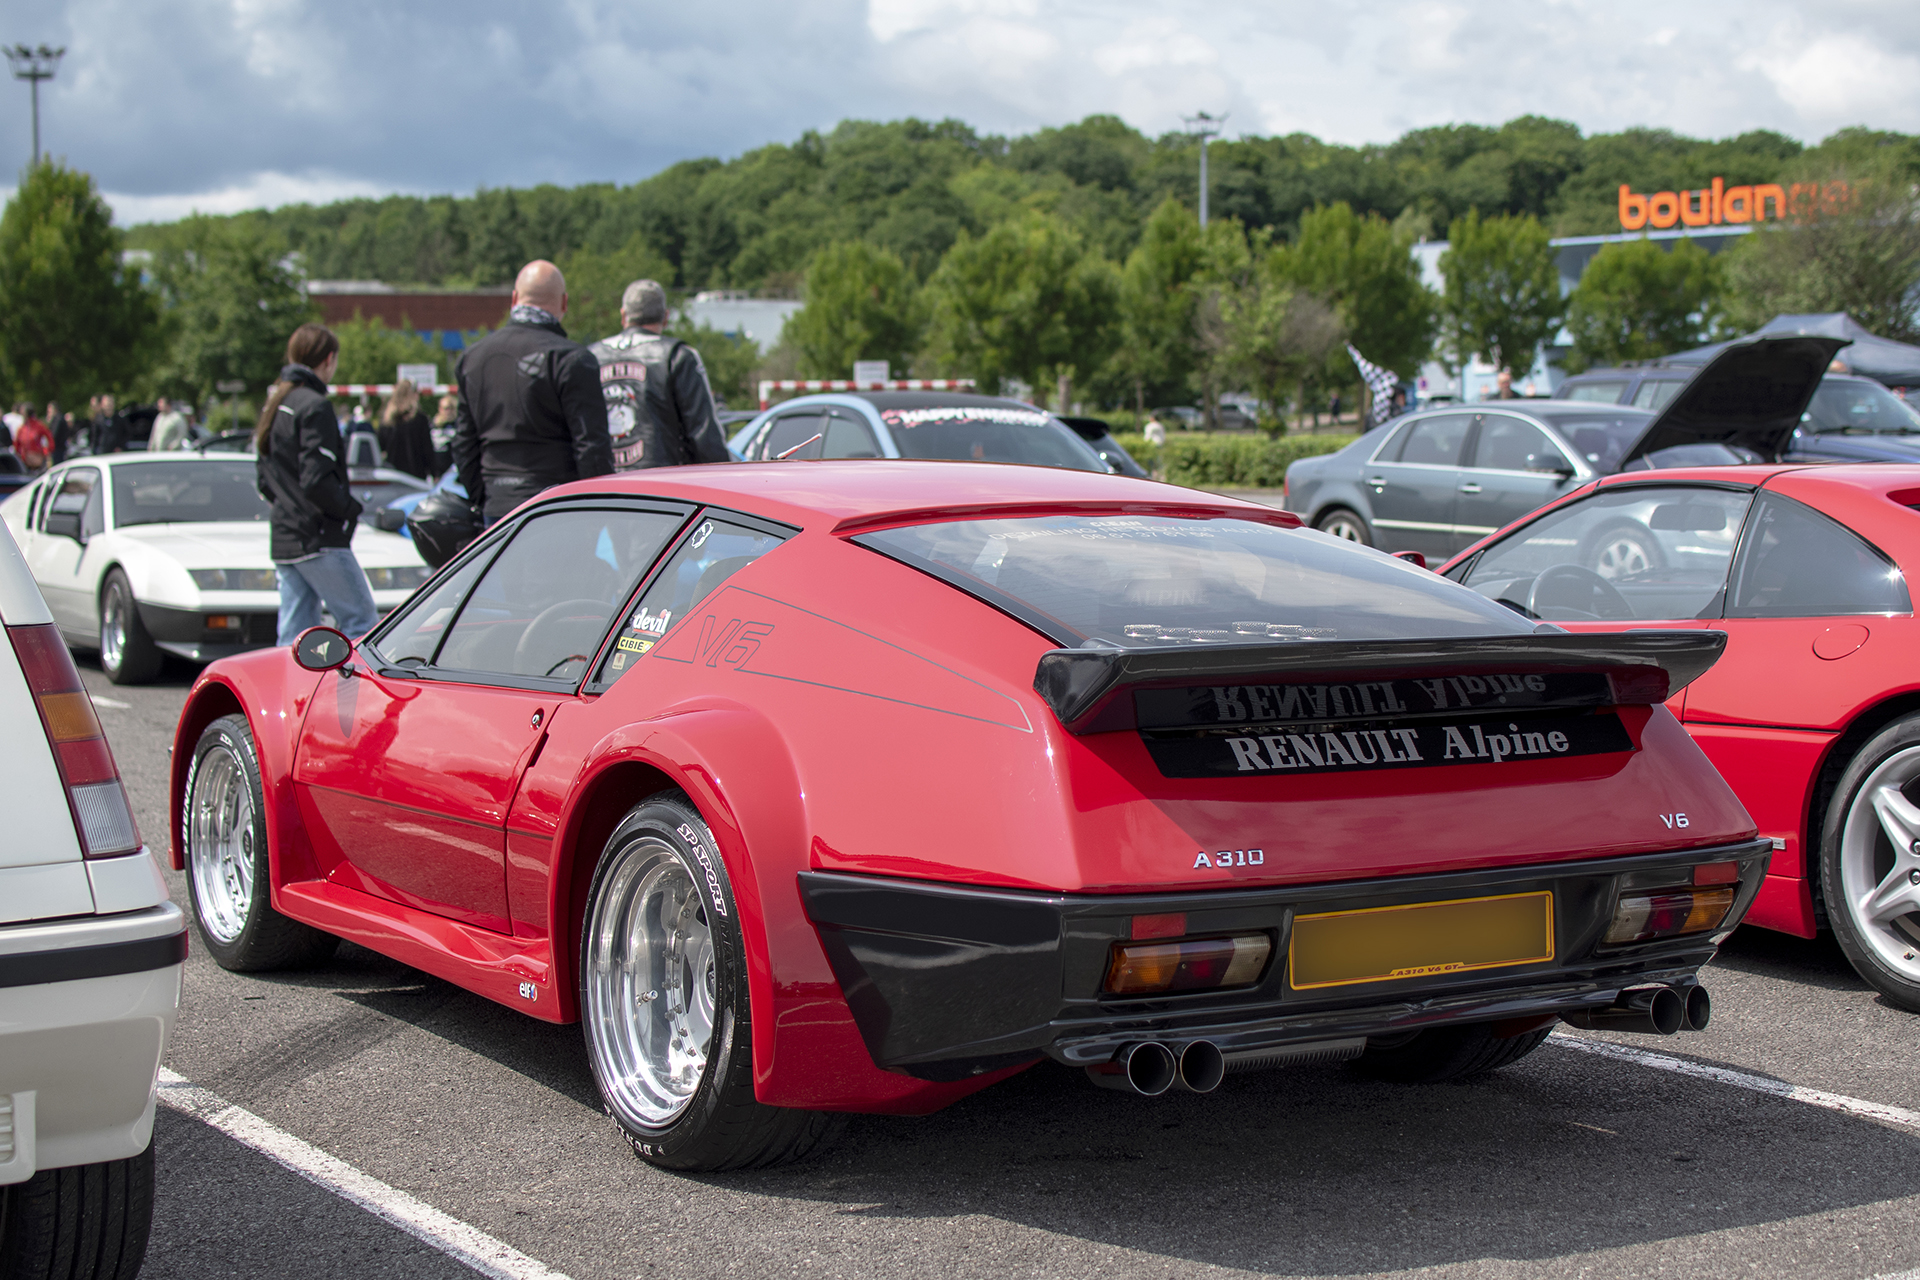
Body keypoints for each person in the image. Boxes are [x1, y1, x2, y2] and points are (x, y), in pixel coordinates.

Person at [452, 259, 612, 524]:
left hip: (498, 506)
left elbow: (462, 444)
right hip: (559, 508)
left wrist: (485, 498)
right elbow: (592, 449)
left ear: (514, 299)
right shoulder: (572, 359)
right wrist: (600, 511)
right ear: (564, 303)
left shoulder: (473, 358)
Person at [254, 323, 378, 645]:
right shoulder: (315, 406)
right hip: (318, 537)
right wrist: (350, 509)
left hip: (284, 536)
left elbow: (264, 479)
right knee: (361, 624)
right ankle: (357, 696)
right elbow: (316, 480)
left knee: (295, 639)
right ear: (329, 360)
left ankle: (290, 696)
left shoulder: (276, 403)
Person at [586, 278, 729, 471]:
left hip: (602, 486)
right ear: (666, 317)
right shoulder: (677, 356)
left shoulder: (590, 357)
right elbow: (704, 434)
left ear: (623, 316)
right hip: (661, 487)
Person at [377, 379, 436, 480]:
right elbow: (427, 448)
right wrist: (434, 472)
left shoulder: (388, 419)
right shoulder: (420, 419)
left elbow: (380, 447)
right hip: (416, 474)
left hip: (393, 474)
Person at [13, 404, 51, 471]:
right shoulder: (22, 428)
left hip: (38, 460)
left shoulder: (38, 425)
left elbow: (49, 438)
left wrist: (46, 453)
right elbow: (17, 444)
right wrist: (19, 455)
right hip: (25, 462)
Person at [429, 394, 459, 475]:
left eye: (452, 408)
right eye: (446, 408)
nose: (449, 412)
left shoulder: (460, 426)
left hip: (455, 470)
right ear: (440, 409)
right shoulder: (432, 426)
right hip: (438, 469)